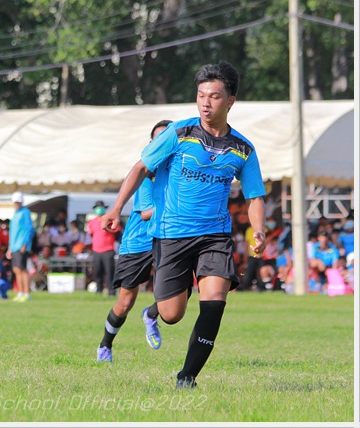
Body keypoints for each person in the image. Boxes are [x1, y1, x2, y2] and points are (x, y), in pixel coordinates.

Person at [100, 61, 266, 389]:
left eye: (214, 96)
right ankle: (162, 307)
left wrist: (258, 231)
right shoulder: (179, 133)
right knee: (172, 314)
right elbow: (138, 168)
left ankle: (187, 377)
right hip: (172, 235)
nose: (206, 102)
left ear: (230, 101)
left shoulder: (243, 149)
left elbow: (255, 196)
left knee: (216, 301)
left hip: (214, 236)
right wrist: (117, 207)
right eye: (201, 95)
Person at [96, 120, 170, 363]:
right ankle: (105, 346)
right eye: (157, 139)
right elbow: (147, 212)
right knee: (125, 301)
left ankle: (150, 315)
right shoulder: (146, 176)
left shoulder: (177, 174)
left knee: (180, 289)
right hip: (138, 243)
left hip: (166, 238)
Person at [88, 200, 120, 297]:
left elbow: (117, 231)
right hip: (96, 250)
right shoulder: (92, 222)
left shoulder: (110, 220)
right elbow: (91, 234)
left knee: (109, 272)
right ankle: (99, 291)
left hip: (108, 250)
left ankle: (111, 291)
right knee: (97, 272)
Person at [7, 191, 35, 302]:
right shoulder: (15, 214)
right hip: (14, 246)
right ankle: (20, 292)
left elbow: (29, 229)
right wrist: (10, 247)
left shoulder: (25, 212)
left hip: (21, 245)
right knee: (16, 269)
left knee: (22, 269)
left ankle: (26, 293)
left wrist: (25, 243)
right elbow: (13, 232)